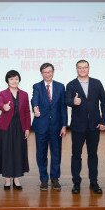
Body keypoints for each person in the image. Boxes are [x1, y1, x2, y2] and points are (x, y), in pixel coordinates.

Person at [65, 60, 105, 194]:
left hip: (94, 125)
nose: (83, 69)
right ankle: (76, 183)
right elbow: (67, 101)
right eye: (80, 67)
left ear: (89, 68)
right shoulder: (71, 85)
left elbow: (104, 103)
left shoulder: (97, 82)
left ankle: (94, 182)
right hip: (78, 126)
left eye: (85, 67)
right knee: (76, 155)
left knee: (93, 155)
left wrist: (104, 121)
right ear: (76, 69)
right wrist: (73, 101)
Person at [31, 63, 67, 191]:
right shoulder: (37, 86)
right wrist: (35, 108)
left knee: (56, 153)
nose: (47, 74)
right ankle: (44, 179)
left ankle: (55, 179)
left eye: (50, 71)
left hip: (57, 126)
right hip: (41, 126)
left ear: (53, 72)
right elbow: (34, 99)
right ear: (41, 73)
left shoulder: (60, 86)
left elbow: (63, 107)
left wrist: (64, 125)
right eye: (45, 72)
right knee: (41, 154)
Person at [0, 70, 31, 190]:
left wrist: (27, 128)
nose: (14, 81)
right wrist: (3, 107)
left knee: (19, 151)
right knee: (6, 151)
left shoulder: (24, 94)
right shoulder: (2, 93)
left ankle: (16, 178)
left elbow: (26, 112)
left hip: (20, 126)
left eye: (16, 78)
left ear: (19, 79)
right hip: (6, 126)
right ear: (7, 81)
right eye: (11, 79)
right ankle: (7, 179)